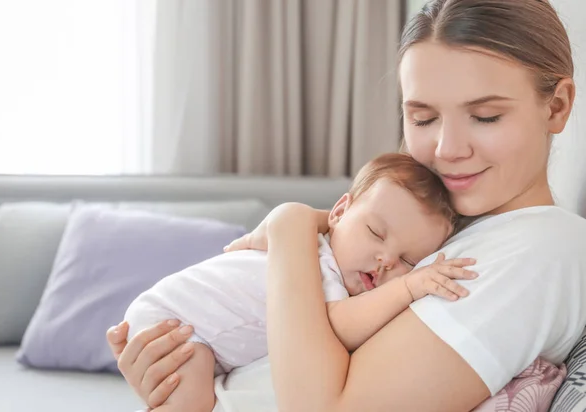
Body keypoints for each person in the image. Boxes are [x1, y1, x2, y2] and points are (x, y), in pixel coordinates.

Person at [107, 0, 586, 410]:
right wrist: (175, 375)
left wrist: (290, 223)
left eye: (485, 116)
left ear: (557, 106)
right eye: (422, 117)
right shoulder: (450, 234)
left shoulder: (541, 247)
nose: (446, 148)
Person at [120, 153, 476, 411]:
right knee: (193, 404)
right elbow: (338, 326)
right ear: (338, 213)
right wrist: (409, 285)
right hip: (176, 321)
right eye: (374, 233)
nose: (386, 260)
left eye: (409, 262)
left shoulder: (312, 250)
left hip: (203, 337)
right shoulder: (318, 265)